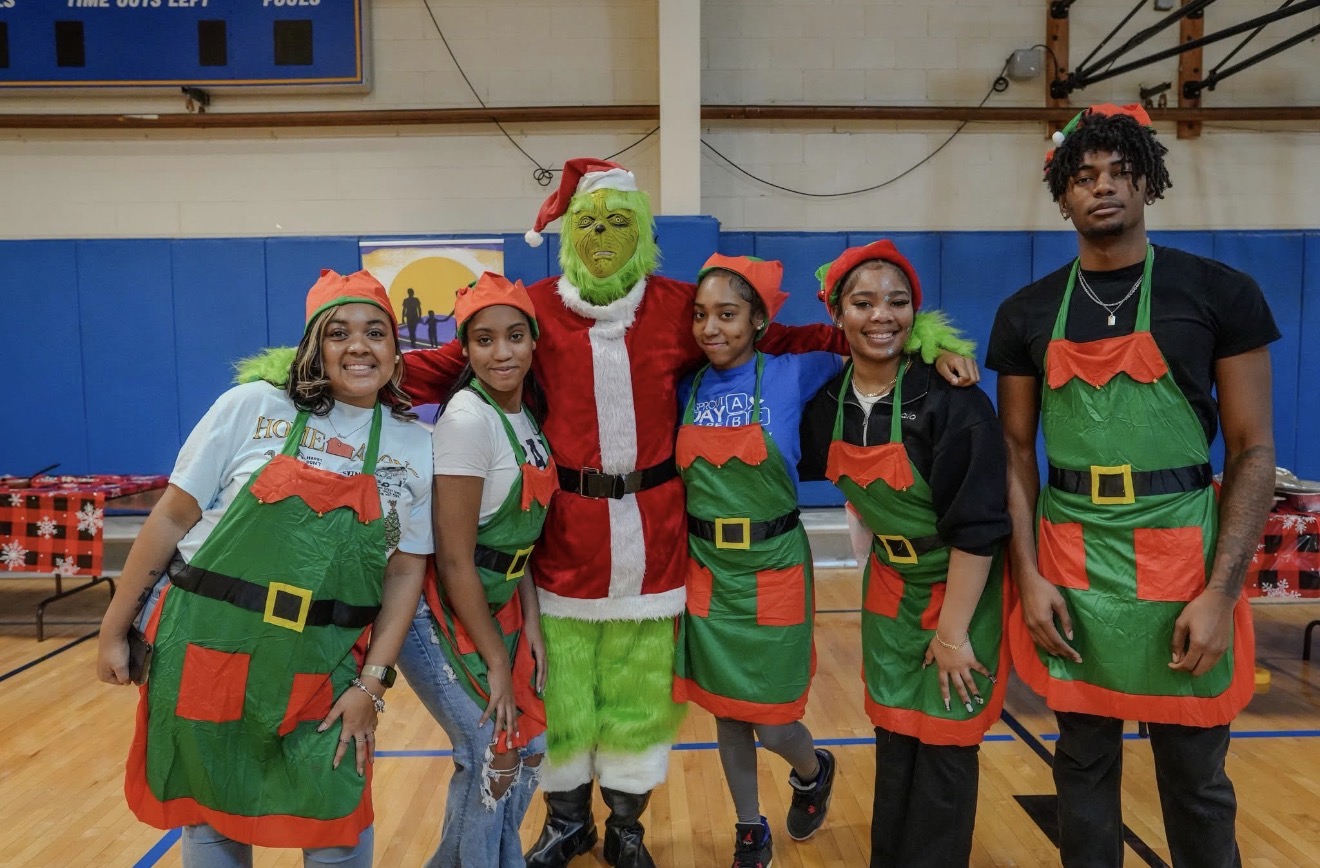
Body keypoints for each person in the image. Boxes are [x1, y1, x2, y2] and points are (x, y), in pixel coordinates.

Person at [401, 158, 981, 868]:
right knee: (563, 685)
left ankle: (626, 824)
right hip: (569, 538)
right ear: (567, 234)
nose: (604, 238)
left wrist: (929, 343)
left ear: (643, 232)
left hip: (658, 533)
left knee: (643, 688)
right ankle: (565, 819)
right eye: (590, 224)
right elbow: (441, 363)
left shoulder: (680, 307)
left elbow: (808, 338)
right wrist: (341, 362)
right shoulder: (536, 311)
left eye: (620, 223)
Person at [986, 103, 1278, 867]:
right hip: (1075, 557)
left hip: (1186, 555)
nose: (1103, 188)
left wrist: (1222, 591)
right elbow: (1015, 451)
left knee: (1195, 775)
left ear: (1148, 181)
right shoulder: (1026, 312)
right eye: (1084, 177)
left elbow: (1251, 450)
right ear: (1062, 195)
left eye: (1120, 172)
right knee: (1081, 764)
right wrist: (1029, 574)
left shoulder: (1220, 292)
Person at [96, 269, 433, 866]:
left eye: (375, 332)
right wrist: (113, 629)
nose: (358, 345)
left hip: (325, 661)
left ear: (395, 349)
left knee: (336, 821)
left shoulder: (414, 445)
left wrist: (374, 683)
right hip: (209, 643)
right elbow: (171, 519)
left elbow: (404, 572)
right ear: (312, 348)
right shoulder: (251, 406)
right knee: (213, 816)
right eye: (338, 332)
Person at [799, 239, 1011, 868]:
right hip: (891, 584)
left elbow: (978, 529)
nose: (881, 315)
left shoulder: (953, 402)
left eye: (898, 302)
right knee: (895, 738)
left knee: (945, 747)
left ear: (916, 315)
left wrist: (952, 635)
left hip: (961, 589)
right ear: (839, 314)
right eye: (863, 302)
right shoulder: (825, 406)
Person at [673, 254, 842, 868]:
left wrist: (941, 352)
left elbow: (877, 344)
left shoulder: (796, 373)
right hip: (709, 568)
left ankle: (812, 768)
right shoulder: (685, 386)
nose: (711, 328)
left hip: (775, 566)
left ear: (759, 320)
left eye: (728, 315)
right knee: (727, 713)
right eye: (701, 315)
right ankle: (750, 826)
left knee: (772, 723)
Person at [396, 272, 553, 868]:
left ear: (534, 341)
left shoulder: (526, 419)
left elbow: (523, 543)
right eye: (484, 340)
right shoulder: (468, 420)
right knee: (492, 751)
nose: (502, 352)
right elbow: (457, 556)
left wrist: (532, 620)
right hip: (445, 609)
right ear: (465, 349)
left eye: (515, 336)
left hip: (505, 602)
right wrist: (493, 659)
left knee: (531, 746)